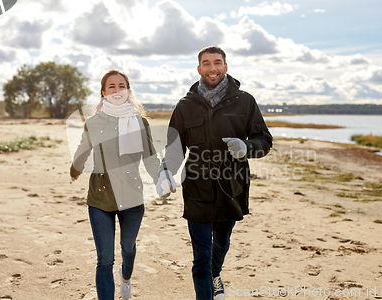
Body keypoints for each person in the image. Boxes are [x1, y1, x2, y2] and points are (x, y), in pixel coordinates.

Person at [156, 46, 273, 300]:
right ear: (199, 69)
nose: (212, 68)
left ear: (225, 67)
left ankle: (216, 275)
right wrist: (165, 171)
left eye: (217, 62)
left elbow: (264, 140)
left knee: (220, 244)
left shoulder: (245, 101)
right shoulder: (185, 106)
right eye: (206, 63)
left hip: (232, 187)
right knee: (201, 257)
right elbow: (175, 147)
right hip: (196, 187)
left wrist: (246, 147)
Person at [70, 69, 161, 300]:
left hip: (131, 197)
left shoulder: (139, 122)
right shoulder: (93, 122)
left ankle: (126, 277)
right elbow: (83, 149)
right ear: (103, 93)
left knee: (128, 249)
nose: (117, 90)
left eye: (122, 86)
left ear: (128, 91)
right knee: (104, 259)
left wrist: (161, 177)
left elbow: (150, 156)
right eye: (112, 86)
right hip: (100, 198)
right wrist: (75, 167)